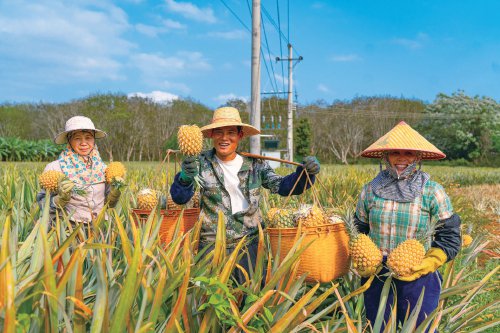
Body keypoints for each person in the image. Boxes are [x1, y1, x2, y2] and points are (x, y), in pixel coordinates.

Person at [170, 106, 320, 284]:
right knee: (211, 303)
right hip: (211, 247)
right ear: (211, 136)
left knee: (249, 299)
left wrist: (305, 175)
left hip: (250, 245)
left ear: (240, 135)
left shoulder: (255, 165)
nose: (224, 138)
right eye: (218, 132)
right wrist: (185, 178)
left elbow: (283, 186)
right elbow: (180, 198)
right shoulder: (200, 163)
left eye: (231, 132)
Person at [354, 121, 461, 331]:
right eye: (395, 152)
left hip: (417, 273)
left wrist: (432, 261)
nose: (402, 158)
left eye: (409, 153)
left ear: (418, 157)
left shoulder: (432, 191)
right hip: (376, 273)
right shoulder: (369, 190)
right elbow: (360, 229)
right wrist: (363, 260)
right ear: (386, 156)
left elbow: (450, 234)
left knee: (420, 328)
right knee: (378, 327)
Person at [37, 116, 122, 226]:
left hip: (100, 229)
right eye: (77, 138)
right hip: (68, 229)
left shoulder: (104, 168)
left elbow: (109, 205)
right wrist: (60, 199)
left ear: (94, 139)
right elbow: (42, 203)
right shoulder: (54, 168)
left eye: (88, 137)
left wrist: (115, 193)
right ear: (69, 140)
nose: (84, 143)